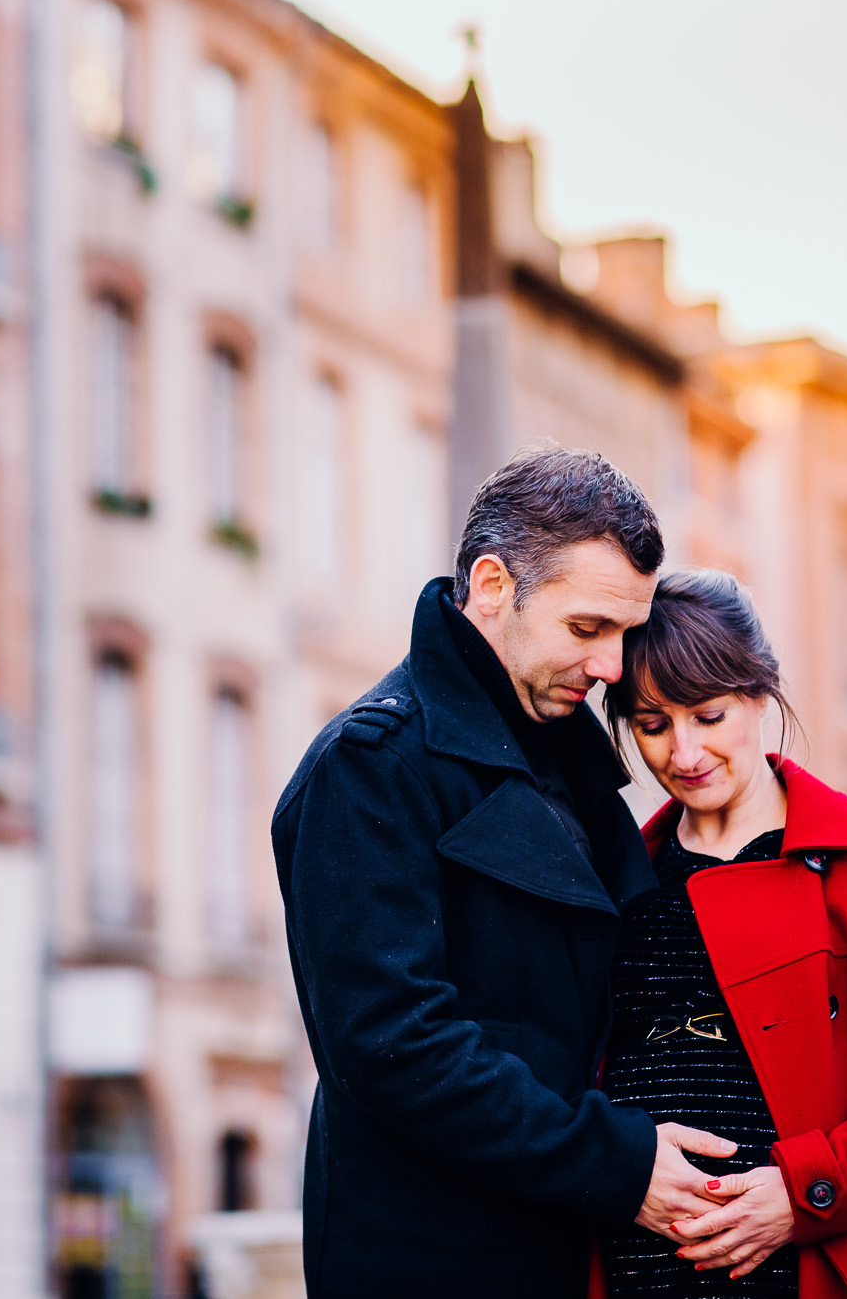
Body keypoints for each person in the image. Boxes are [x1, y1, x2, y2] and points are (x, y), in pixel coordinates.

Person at [272, 449, 740, 1298]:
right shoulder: (370, 763)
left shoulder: (563, 759)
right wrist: (620, 1164)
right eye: (587, 628)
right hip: (433, 1261)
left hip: (578, 1253)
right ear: (492, 586)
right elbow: (395, 1045)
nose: (610, 667)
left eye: (624, 635)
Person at [596, 568, 847, 1299]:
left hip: (821, 1267)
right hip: (638, 1273)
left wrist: (807, 1189)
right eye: (653, 726)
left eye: (708, 716)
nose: (683, 754)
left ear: (758, 693)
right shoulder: (611, 883)